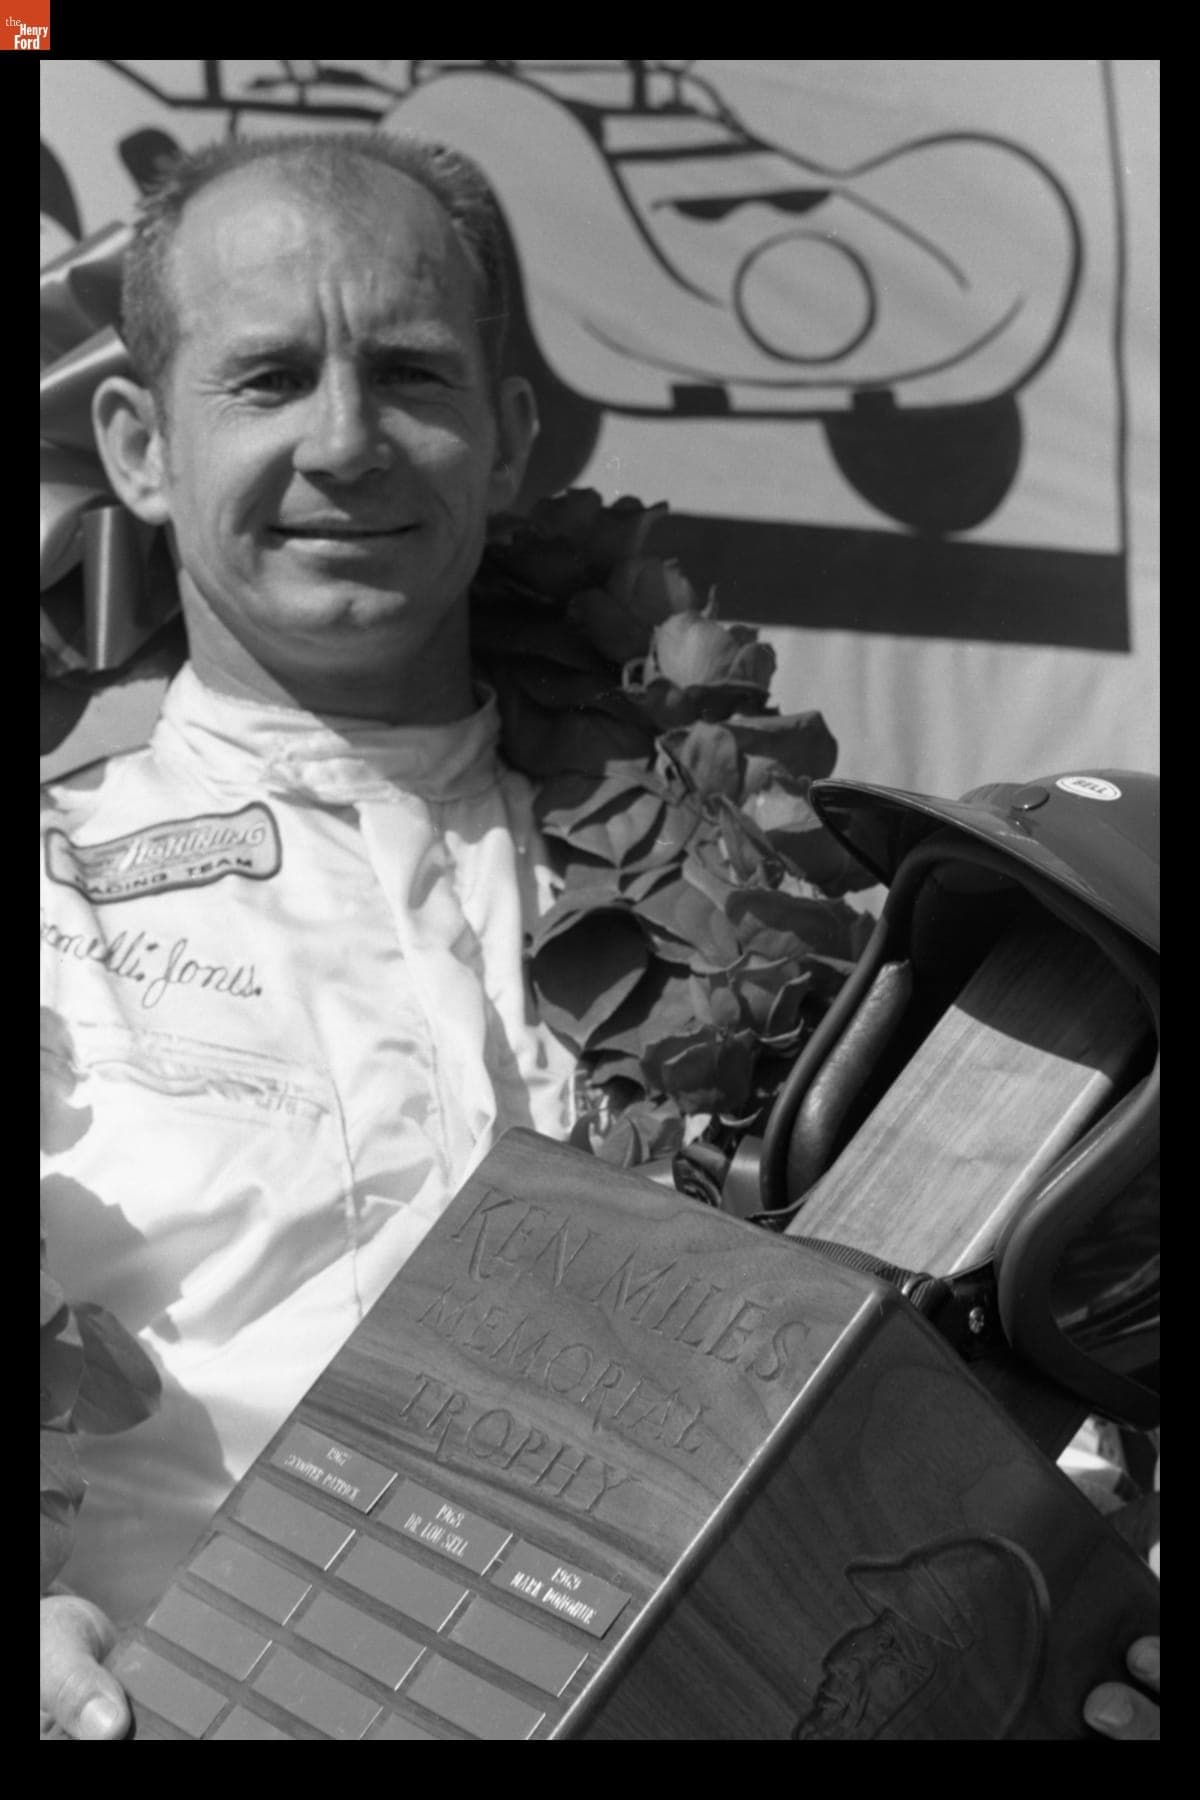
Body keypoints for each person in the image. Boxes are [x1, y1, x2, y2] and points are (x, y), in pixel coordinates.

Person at [39, 128, 1157, 1741]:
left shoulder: (809, 952)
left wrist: (1070, 1645)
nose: (347, 443)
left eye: (412, 376)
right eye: (269, 378)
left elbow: (967, 1436)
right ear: (141, 446)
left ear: (506, 441)